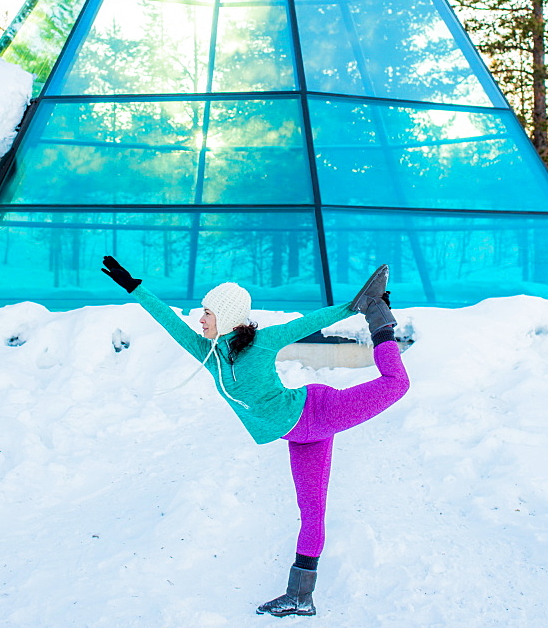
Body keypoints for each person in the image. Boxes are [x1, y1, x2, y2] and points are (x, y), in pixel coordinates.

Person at [101, 256, 409, 618]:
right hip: (301, 436)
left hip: (319, 411)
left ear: (227, 318)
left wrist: (361, 308)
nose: (199, 320)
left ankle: (382, 323)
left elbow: (307, 323)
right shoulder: (209, 351)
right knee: (311, 514)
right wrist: (135, 288)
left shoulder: (262, 343)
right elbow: (169, 321)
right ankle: (300, 597)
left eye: (207, 313)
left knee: (397, 384)